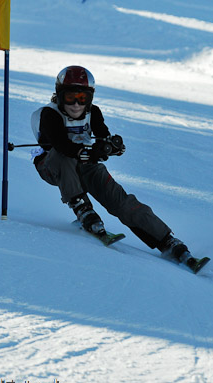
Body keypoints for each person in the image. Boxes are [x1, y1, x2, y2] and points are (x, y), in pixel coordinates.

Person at [31, 65, 194, 267]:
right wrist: (85, 151)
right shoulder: (50, 114)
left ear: (90, 98)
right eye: (69, 97)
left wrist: (110, 147)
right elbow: (60, 145)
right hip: (52, 166)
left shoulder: (94, 112)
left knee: (120, 201)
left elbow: (103, 136)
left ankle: (165, 239)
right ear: (59, 95)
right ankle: (82, 208)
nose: (75, 104)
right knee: (63, 156)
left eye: (82, 98)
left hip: (83, 164)